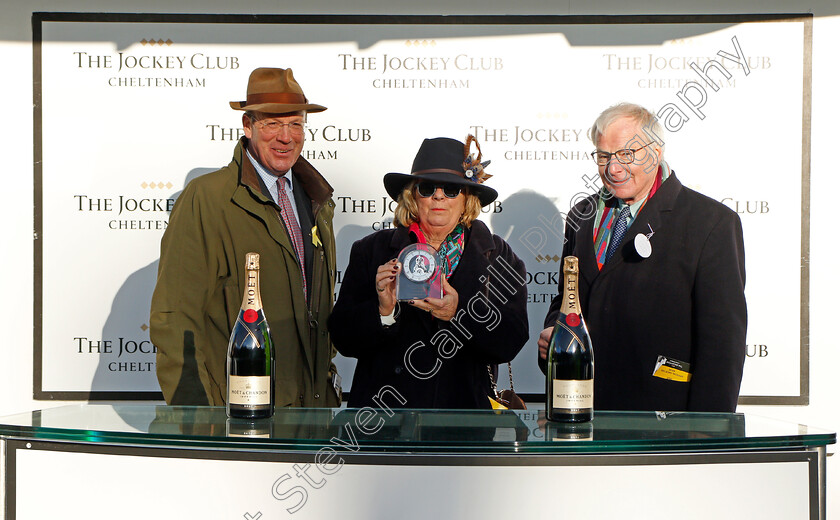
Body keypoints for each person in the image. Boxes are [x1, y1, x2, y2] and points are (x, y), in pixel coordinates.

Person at [151, 67, 341, 408]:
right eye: (272, 123)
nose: (286, 136)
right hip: (240, 416)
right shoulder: (207, 199)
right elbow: (175, 318)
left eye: (295, 124)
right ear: (248, 126)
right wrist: (197, 423)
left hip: (312, 417)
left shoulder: (316, 201)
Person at [538, 103, 747, 412]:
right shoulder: (581, 215)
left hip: (663, 420)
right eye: (604, 156)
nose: (614, 168)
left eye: (627, 154)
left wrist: (709, 432)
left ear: (657, 152)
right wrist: (555, 334)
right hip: (582, 410)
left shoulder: (710, 222)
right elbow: (567, 298)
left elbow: (722, 343)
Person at [328, 136, 529, 409]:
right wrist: (382, 312)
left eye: (451, 189)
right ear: (413, 195)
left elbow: (511, 340)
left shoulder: (498, 256)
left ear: (467, 198)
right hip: (384, 422)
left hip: (464, 423)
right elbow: (343, 338)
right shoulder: (372, 250)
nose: (438, 196)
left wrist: (459, 315)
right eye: (427, 187)